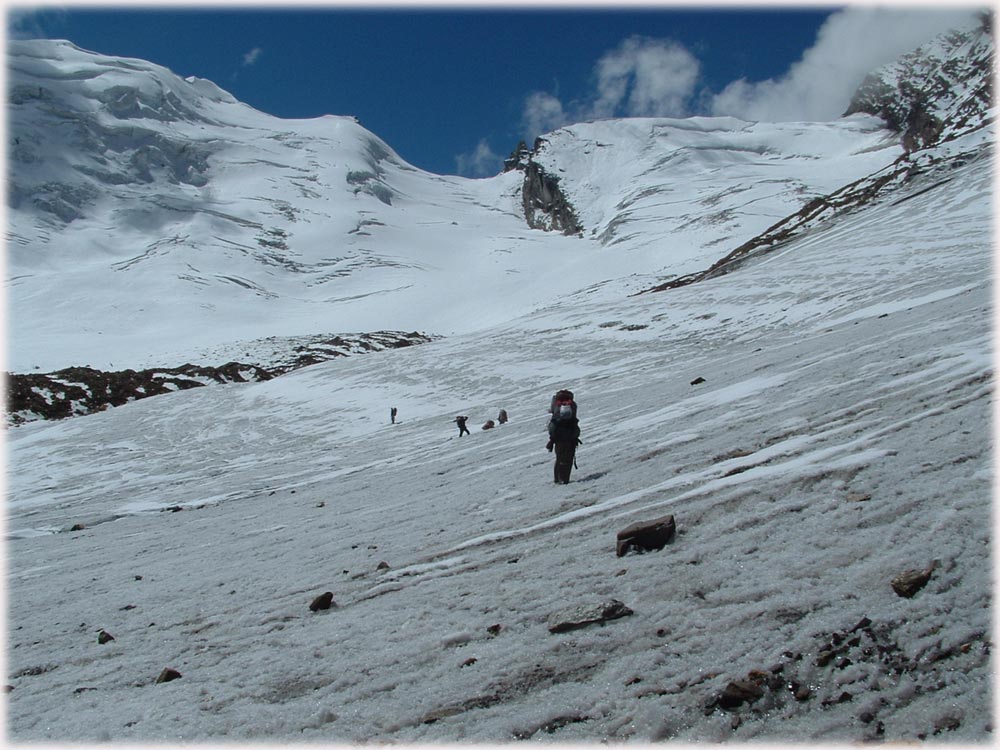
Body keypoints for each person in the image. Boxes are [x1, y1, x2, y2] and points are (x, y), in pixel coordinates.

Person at [546, 390, 581, 484]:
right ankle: (564, 479)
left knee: (559, 457)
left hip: (557, 437)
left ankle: (557, 479)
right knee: (567, 458)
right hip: (570, 436)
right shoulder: (572, 405)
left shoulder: (556, 405)